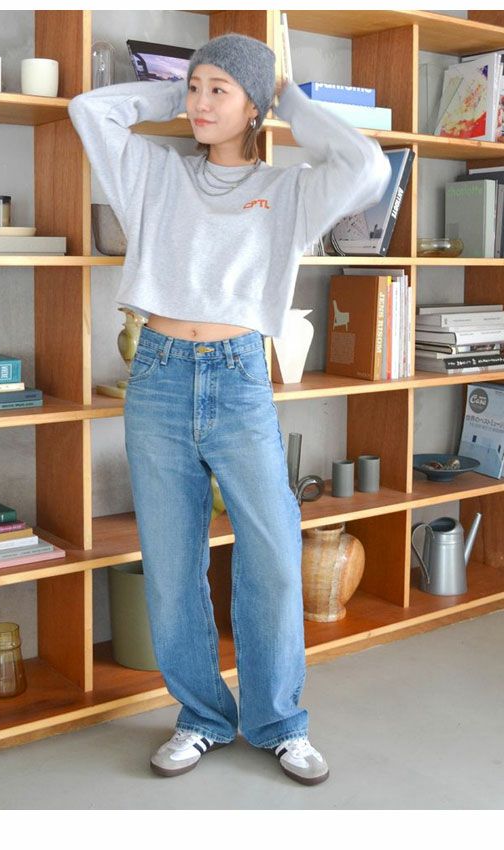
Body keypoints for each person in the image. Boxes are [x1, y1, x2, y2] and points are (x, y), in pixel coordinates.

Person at [68, 32, 390, 786]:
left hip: (240, 376)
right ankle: (201, 717)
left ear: (253, 107)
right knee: (171, 561)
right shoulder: (153, 173)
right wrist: (178, 87)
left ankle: (278, 722)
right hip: (157, 376)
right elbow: (89, 110)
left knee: (273, 551)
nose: (200, 103)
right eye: (195, 88)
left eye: (219, 90)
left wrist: (290, 101)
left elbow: (368, 167)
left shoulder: (289, 190)